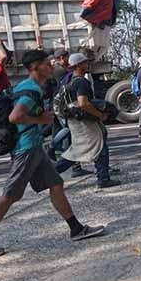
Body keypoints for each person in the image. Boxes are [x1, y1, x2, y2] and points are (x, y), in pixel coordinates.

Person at [0, 50, 106, 259]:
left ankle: (76, 228)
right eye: (46, 64)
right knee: (9, 196)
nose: (51, 66)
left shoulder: (29, 87)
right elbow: (15, 117)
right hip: (25, 149)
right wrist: (43, 119)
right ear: (35, 67)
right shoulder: (31, 88)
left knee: (56, 185)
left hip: (34, 147)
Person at [54, 53, 121, 189]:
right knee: (97, 147)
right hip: (84, 122)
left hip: (75, 120)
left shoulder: (70, 80)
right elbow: (83, 103)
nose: (88, 64)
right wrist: (100, 115)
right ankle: (103, 179)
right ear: (78, 65)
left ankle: (50, 174)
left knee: (80, 150)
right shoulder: (80, 81)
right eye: (85, 63)